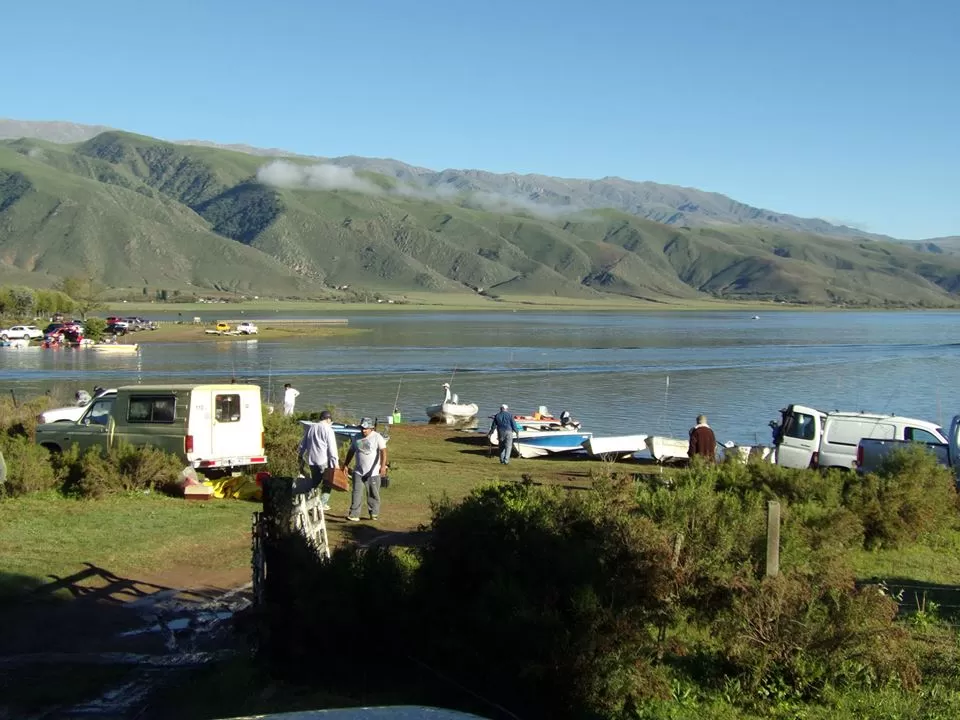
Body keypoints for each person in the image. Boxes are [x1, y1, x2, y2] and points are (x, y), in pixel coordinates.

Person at [341, 418, 387, 522]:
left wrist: (382, 466)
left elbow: (383, 451)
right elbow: (351, 451)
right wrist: (346, 464)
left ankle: (374, 513)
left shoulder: (377, 437)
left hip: (373, 472)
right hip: (358, 471)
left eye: (366, 428)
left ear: (371, 428)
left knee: (373, 493)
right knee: (356, 493)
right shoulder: (356, 437)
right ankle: (354, 514)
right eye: (362, 428)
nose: (363, 430)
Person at [298, 409, 340, 510]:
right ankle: (322, 503)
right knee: (328, 483)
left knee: (315, 481)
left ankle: (309, 500)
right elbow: (332, 449)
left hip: (311, 460)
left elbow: (303, 444)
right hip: (323, 460)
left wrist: (300, 456)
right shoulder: (328, 430)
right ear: (328, 419)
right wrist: (336, 463)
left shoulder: (311, 427)